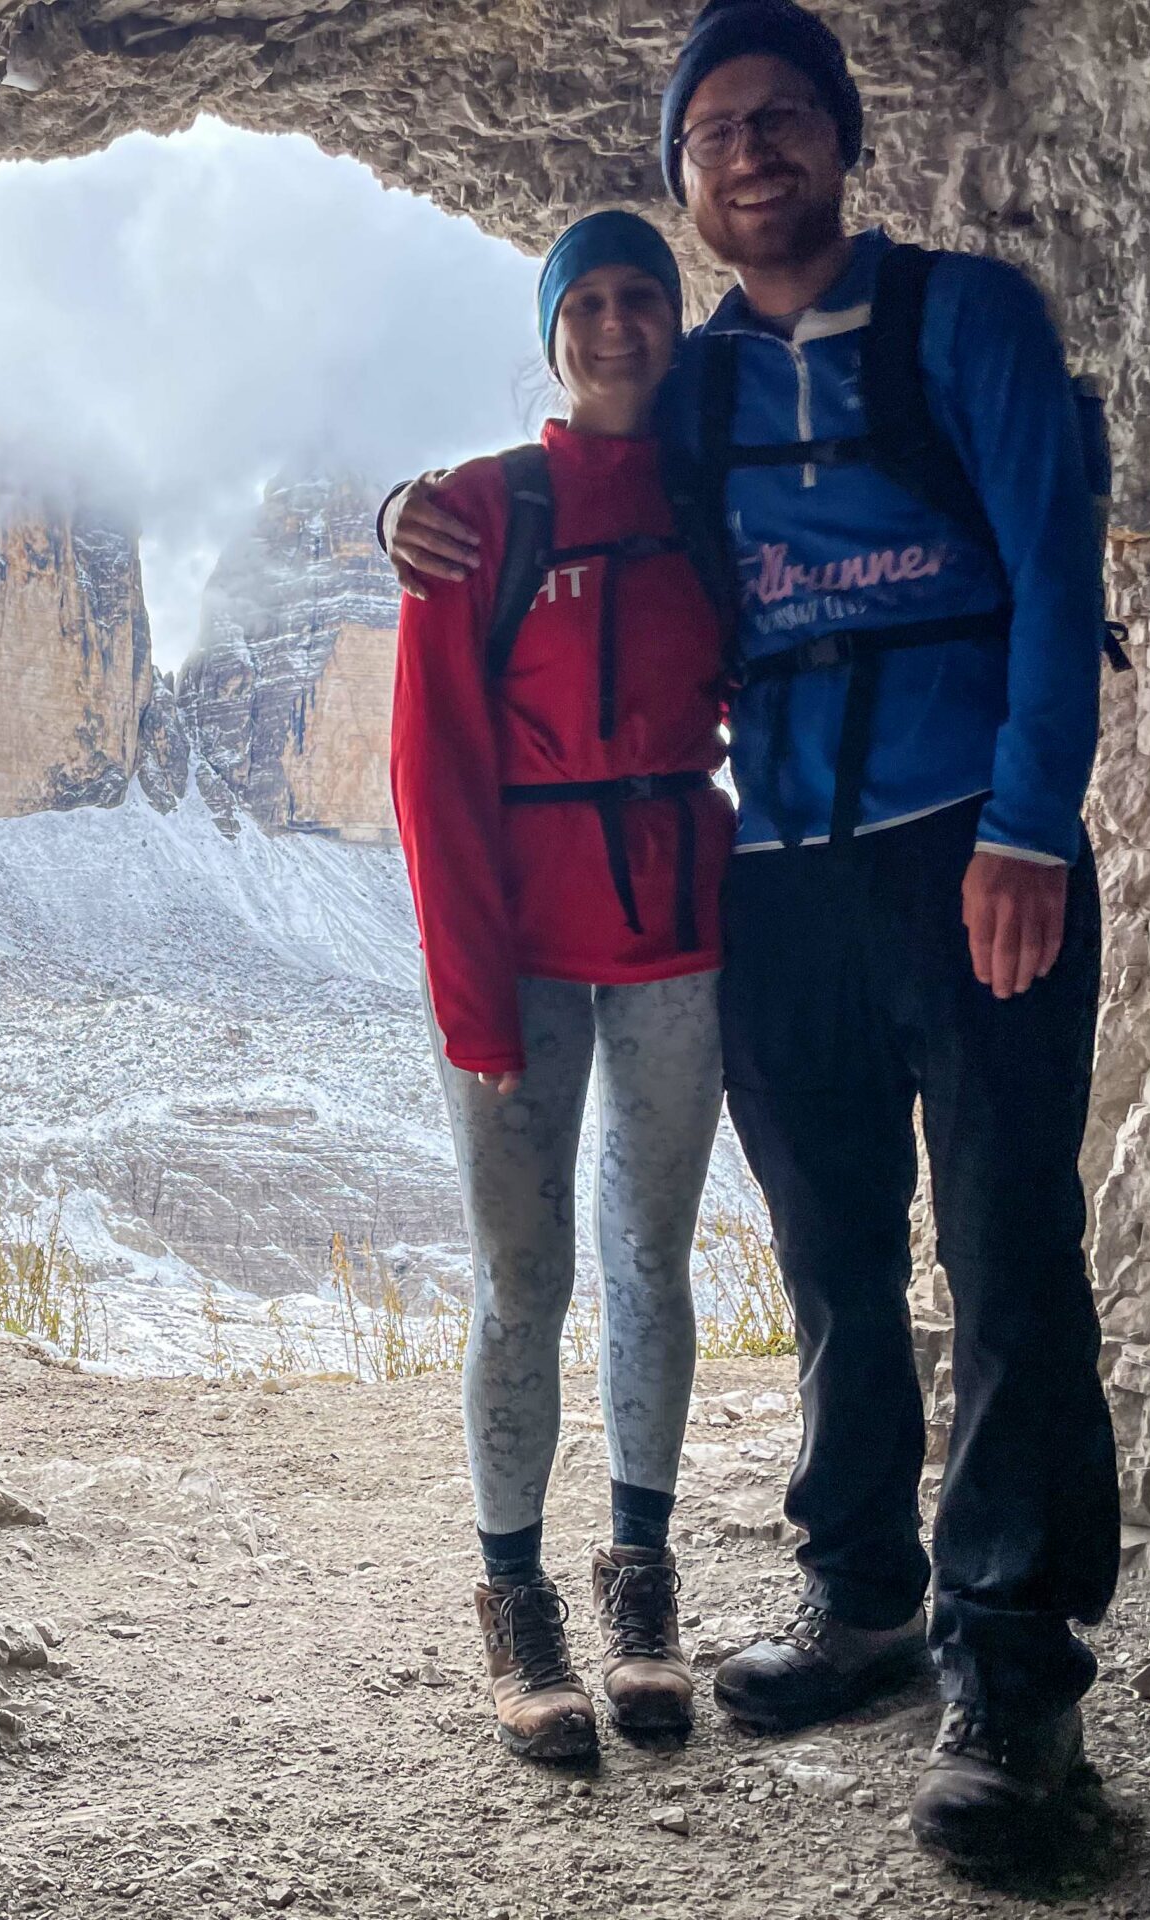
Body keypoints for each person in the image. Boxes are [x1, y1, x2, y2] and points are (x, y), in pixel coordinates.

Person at [383, 0, 1120, 1864]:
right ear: (683, 182)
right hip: (779, 866)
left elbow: (1056, 569)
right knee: (835, 1247)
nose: (749, 152)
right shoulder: (702, 385)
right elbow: (582, 479)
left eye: (781, 117)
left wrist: (1032, 827)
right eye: (712, 134)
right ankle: (864, 1596)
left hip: (972, 843)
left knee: (1011, 1244)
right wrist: (412, 516)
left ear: (844, 138)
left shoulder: (972, 321)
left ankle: (1015, 1668)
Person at [391, 210, 735, 1765]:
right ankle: (518, 1601)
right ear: (552, 333)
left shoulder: (713, 500)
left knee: (652, 1259)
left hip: (673, 935)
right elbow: (431, 773)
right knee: (523, 1281)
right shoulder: (474, 514)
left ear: (676, 322)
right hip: (520, 958)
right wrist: (469, 1000)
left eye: (640, 298)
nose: (614, 326)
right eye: (584, 302)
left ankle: (641, 1590)